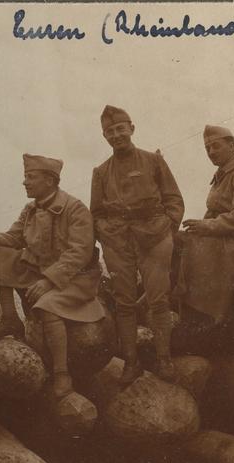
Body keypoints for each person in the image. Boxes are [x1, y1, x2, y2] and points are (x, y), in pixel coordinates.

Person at [0, 154, 105, 397]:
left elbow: (80, 252)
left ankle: (61, 373)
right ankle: (9, 319)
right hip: (43, 271)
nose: (25, 182)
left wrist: (49, 281)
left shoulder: (74, 208)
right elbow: (12, 239)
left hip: (76, 278)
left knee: (47, 306)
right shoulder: (31, 209)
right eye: (25, 177)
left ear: (50, 180)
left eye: (30, 177)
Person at [91, 105, 184, 385]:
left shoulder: (153, 161)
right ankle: (130, 362)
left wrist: (167, 229)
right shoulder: (101, 172)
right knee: (124, 303)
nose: (116, 135)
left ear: (132, 128)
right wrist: (107, 236)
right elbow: (95, 213)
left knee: (158, 300)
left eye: (120, 129)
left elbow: (174, 200)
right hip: (118, 242)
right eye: (110, 132)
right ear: (104, 136)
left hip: (154, 238)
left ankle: (164, 358)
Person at [176, 125, 234, 325]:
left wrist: (206, 226)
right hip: (220, 234)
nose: (211, 152)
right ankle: (172, 303)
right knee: (174, 241)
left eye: (216, 146)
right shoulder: (222, 174)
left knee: (195, 249)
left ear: (231, 145)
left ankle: (202, 316)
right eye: (207, 149)